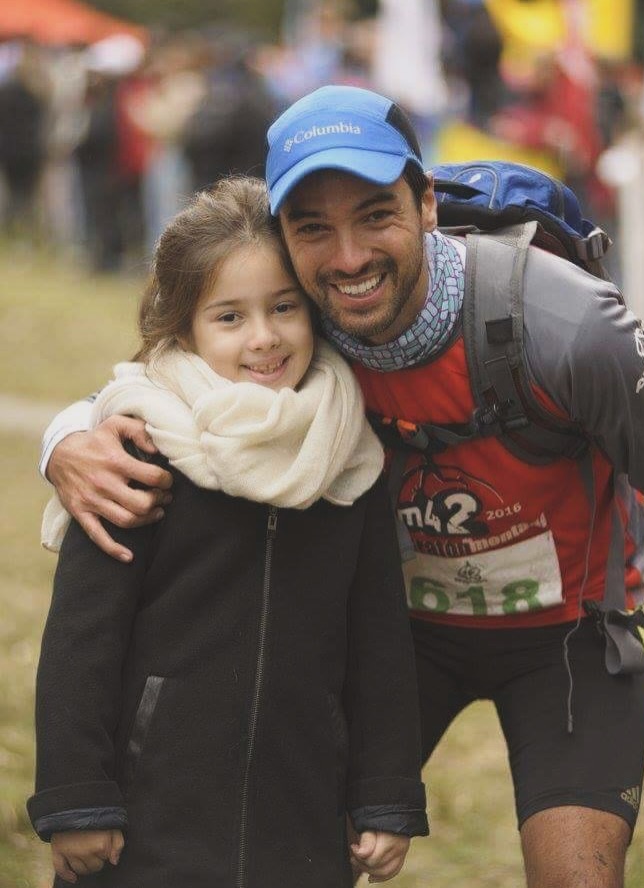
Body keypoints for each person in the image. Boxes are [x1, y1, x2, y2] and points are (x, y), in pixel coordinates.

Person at [40, 86, 644, 887]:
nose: (348, 257)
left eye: (376, 215)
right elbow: (173, 385)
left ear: (427, 204)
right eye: (313, 230)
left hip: (569, 640)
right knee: (292, 849)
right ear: (286, 243)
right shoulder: (304, 319)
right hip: (400, 639)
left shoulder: (567, 327)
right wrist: (65, 439)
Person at [28, 175, 428, 888]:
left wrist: (386, 797)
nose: (264, 338)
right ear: (183, 328)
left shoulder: (348, 459)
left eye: (283, 308)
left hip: (300, 827)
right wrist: (75, 799)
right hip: (146, 830)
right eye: (230, 317)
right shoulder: (136, 452)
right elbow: (80, 642)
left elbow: (380, 650)